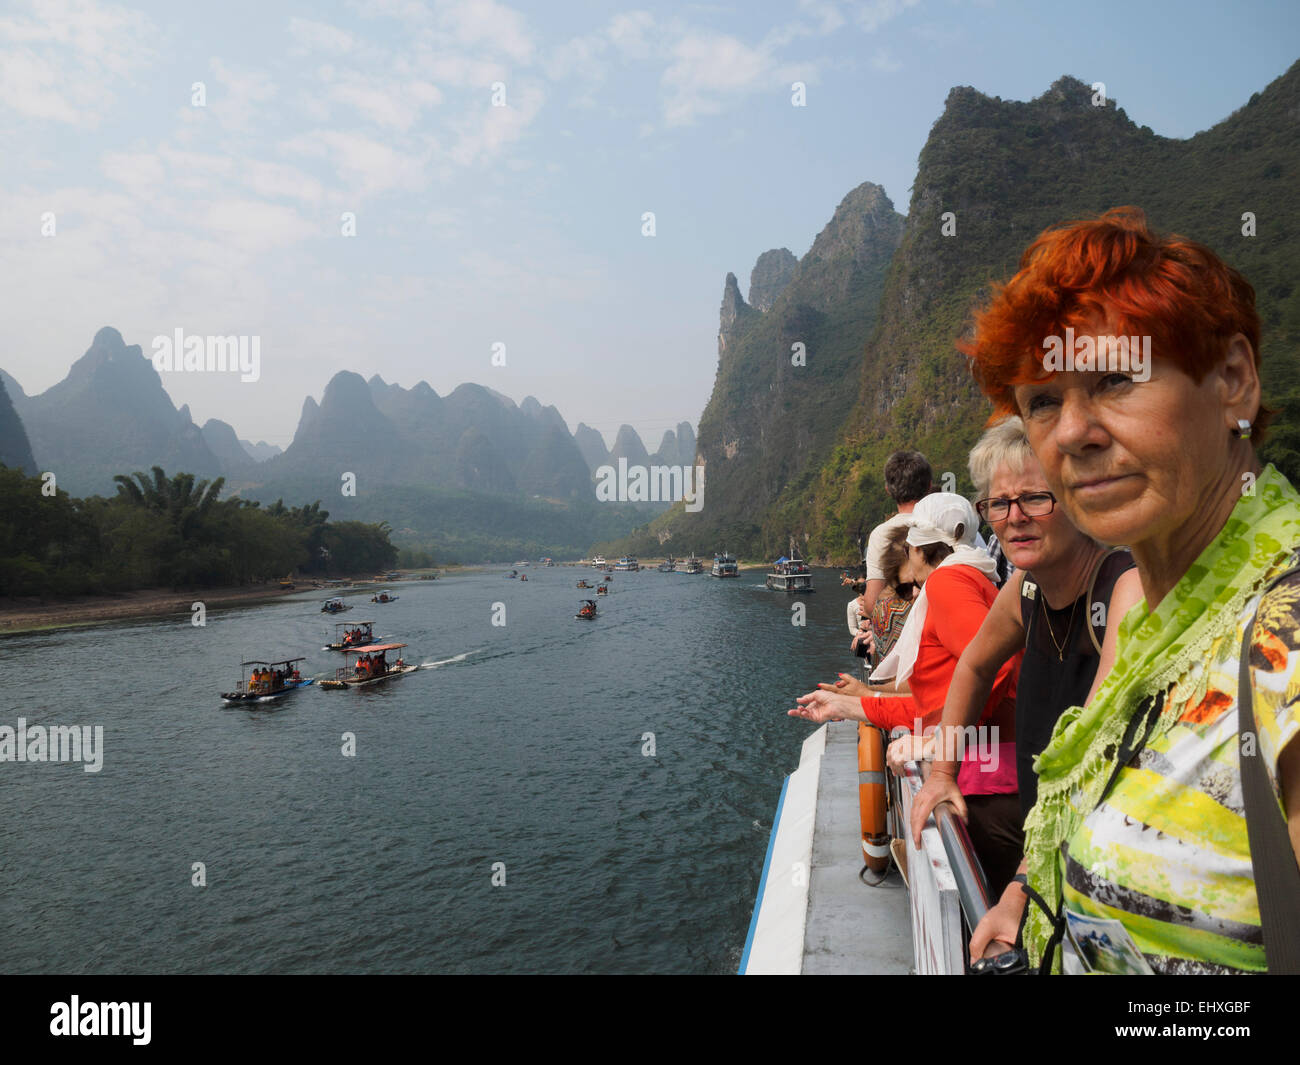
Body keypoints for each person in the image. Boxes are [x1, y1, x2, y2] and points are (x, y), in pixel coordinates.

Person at [962, 205, 1300, 973]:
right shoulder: (1152, 614)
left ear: (1233, 380)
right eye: (1042, 400)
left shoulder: (1284, 635)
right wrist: (1022, 891)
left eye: (1115, 378)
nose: (1073, 432)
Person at [899, 416, 1142, 924]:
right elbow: (973, 666)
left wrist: (1019, 892)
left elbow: (1091, 762)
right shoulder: (1025, 589)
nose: (1014, 518)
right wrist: (943, 773)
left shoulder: (1123, 589)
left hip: (1105, 854)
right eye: (999, 504)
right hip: (1046, 832)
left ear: (1077, 497)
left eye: (1035, 497)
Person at [790, 492, 1022, 891]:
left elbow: (998, 669)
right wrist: (849, 705)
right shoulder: (977, 577)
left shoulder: (949, 582)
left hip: (985, 785)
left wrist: (937, 744)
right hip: (994, 781)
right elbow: (939, 704)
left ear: (918, 548)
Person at [860, 451, 932, 619]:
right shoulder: (946, 523)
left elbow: (872, 605)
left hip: (904, 633)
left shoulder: (881, 534)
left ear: (888, 491)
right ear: (929, 486)